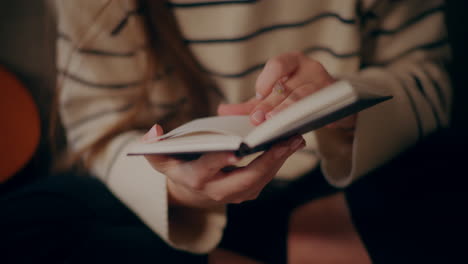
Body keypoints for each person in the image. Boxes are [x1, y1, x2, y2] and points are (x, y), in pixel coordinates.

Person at [48, 0, 452, 263]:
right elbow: (94, 126)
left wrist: (343, 106)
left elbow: (428, 76)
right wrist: (180, 195)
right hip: (173, 206)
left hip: (344, 177)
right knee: (32, 225)